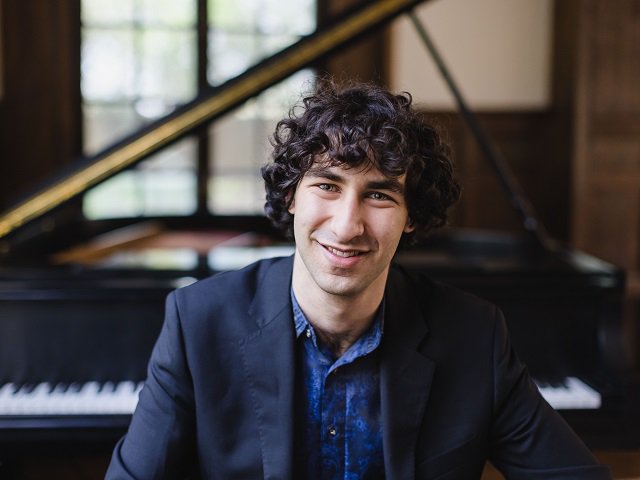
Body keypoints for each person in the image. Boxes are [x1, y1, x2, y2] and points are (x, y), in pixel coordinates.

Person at [106, 80, 611, 479]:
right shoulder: (198, 323)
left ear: (412, 216)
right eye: (327, 185)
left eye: (380, 195)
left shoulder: (474, 335)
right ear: (291, 196)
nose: (347, 225)